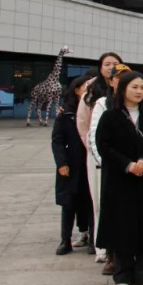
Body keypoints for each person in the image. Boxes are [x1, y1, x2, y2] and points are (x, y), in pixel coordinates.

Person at [95, 71, 143, 285]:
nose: (139, 91)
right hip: (119, 179)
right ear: (122, 89)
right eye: (134, 87)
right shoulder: (110, 117)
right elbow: (104, 146)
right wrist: (127, 164)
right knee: (122, 226)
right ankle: (122, 276)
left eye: (142, 88)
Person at [76, 51, 122, 264]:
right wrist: (94, 150)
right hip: (97, 155)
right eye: (107, 64)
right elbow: (83, 124)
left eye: (115, 64)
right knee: (98, 201)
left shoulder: (131, 91)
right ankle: (101, 246)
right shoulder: (93, 92)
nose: (111, 67)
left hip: (123, 157)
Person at [88, 63, 132, 273]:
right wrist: (107, 162)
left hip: (136, 168)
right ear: (112, 81)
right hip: (112, 167)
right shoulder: (102, 104)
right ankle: (111, 255)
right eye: (119, 78)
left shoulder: (141, 105)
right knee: (111, 212)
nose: (123, 83)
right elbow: (96, 138)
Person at [51, 75, 93, 255]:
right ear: (76, 90)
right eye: (85, 87)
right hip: (71, 165)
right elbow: (57, 140)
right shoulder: (65, 115)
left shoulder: (94, 110)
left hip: (90, 162)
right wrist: (61, 163)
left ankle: (93, 239)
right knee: (68, 204)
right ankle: (65, 240)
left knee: (91, 202)